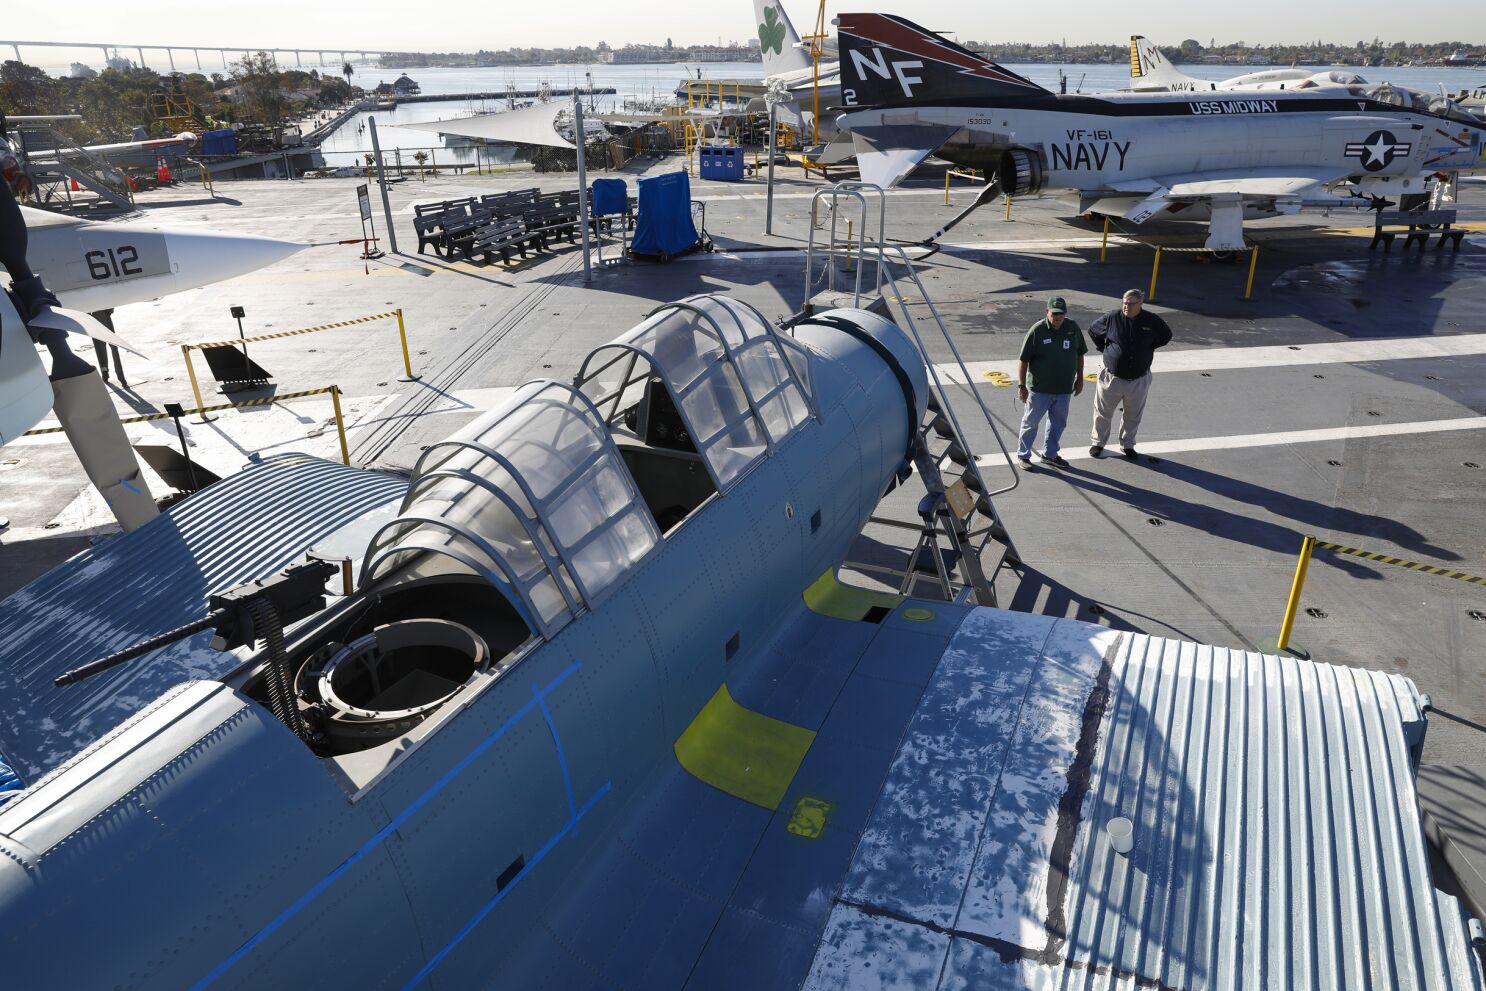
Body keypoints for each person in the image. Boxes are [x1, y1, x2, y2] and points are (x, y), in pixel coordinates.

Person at [1088, 288, 1172, 459]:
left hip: (1138, 380)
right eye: (1124, 303)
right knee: (1102, 412)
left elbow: (1166, 336)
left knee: (1133, 415)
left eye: (1130, 304)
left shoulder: (1151, 320)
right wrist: (1105, 349)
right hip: (1111, 377)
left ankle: (1127, 444)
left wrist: (1148, 348)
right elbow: (1093, 330)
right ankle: (1098, 443)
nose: (1126, 306)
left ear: (1140, 304)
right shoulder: (1112, 317)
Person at [1015, 296, 1087, 469]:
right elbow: (1023, 360)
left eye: (1061, 313)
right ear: (1047, 312)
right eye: (1054, 313)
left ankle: (1050, 454)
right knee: (1030, 422)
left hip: (1064, 389)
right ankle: (1023, 455)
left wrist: (1080, 379)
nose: (1057, 317)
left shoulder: (1072, 327)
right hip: (1040, 389)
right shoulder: (1037, 330)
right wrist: (1021, 386)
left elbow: (1079, 354)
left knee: (1058, 423)